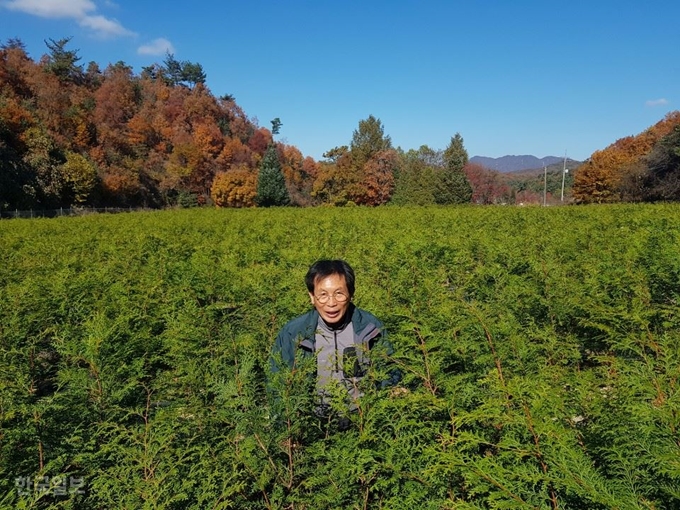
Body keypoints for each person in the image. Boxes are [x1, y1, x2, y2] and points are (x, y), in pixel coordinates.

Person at [269, 259, 397, 431]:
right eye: (323, 294)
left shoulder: (371, 328)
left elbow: (389, 373)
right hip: (312, 427)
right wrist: (286, 429)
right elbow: (277, 382)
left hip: (363, 424)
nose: (331, 303)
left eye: (339, 293)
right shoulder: (293, 333)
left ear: (351, 294)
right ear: (312, 297)